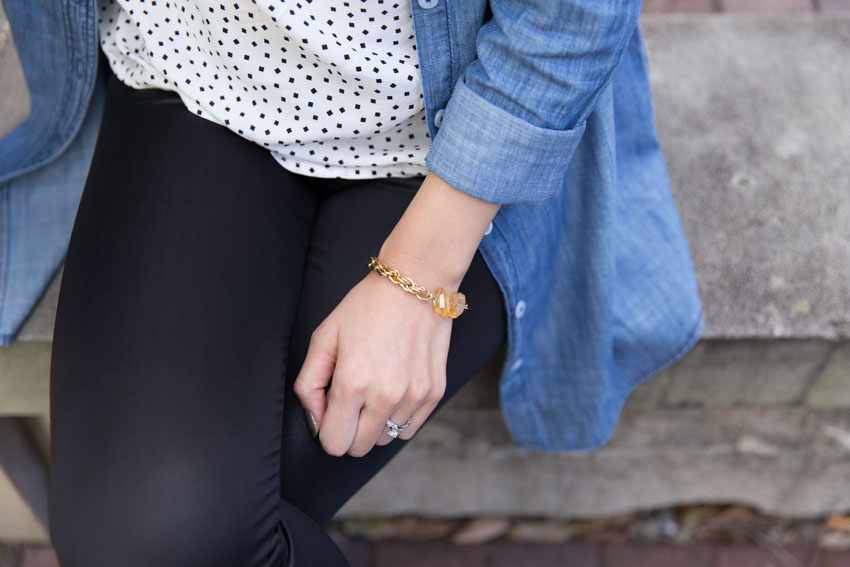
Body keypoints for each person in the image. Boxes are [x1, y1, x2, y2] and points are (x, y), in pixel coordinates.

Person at [0, 0, 706, 565]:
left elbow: (573, 18)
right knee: (146, 535)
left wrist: (417, 281)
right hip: (198, 76)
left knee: (162, 537)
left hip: (448, 127)